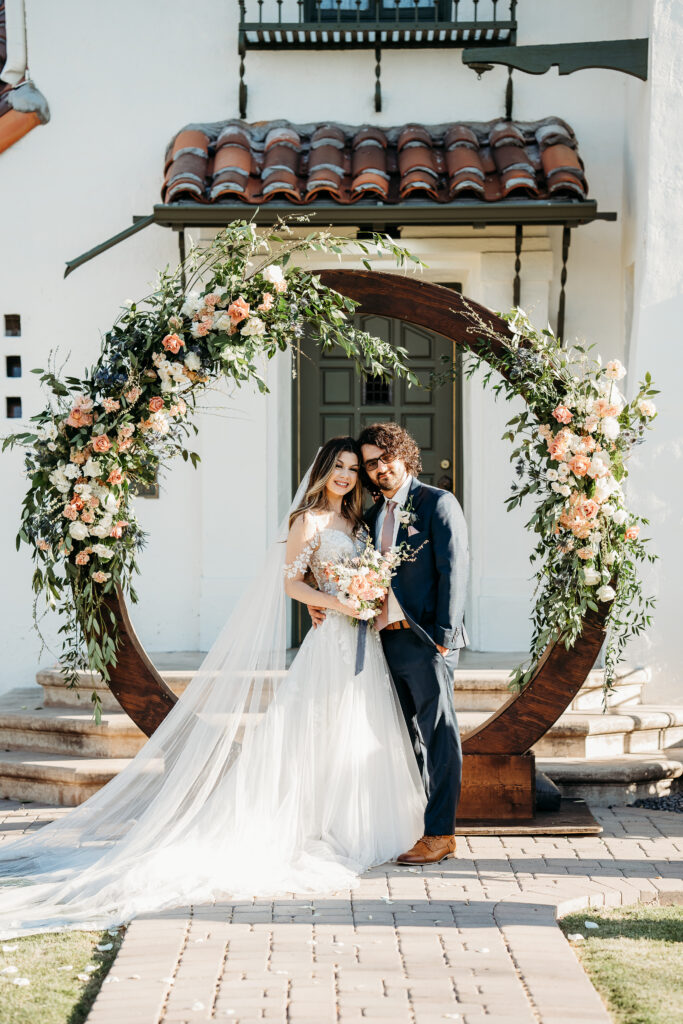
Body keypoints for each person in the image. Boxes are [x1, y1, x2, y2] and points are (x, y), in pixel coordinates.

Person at [0, 436, 427, 939]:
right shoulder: (305, 522)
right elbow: (291, 582)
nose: (346, 475)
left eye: (353, 468)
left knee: (359, 731)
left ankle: (358, 823)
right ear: (321, 470)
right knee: (311, 734)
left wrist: (368, 596)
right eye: (338, 466)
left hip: (365, 646)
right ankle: (308, 827)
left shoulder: (361, 522)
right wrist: (337, 604)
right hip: (331, 641)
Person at [309, 423, 469, 865]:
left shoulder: (437, 502)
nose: (380, 469)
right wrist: (317, 600)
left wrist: (443, 638)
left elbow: (453, 570)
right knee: (402, 738)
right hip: (382, 641)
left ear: (405, 456)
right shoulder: (373, 514)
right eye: (371, 464)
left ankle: (441, 833)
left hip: (425, 640)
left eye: (386, 459)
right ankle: (415, 824)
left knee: (439, 735)